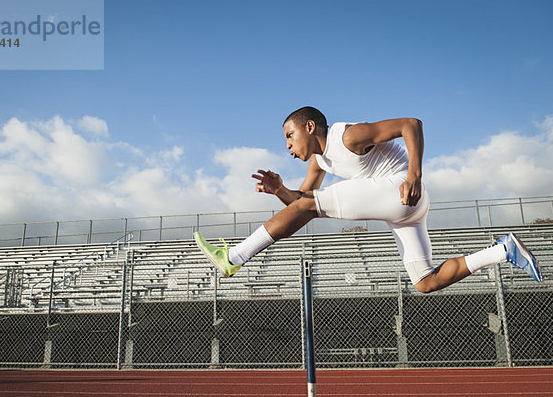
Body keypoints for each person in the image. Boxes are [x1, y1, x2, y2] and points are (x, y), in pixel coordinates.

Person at [194, 106, 542, 291]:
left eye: (289, 135)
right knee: (424, 282)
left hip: (400, 188)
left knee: (310, 206)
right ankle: (502, 250)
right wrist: (280, 190)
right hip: (406, 210)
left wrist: (413, 176)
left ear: (310, 127)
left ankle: (234, 257)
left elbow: (411, 124)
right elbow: (300, 203)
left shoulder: (347, 136)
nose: (287, 146)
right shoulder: (319, 161)